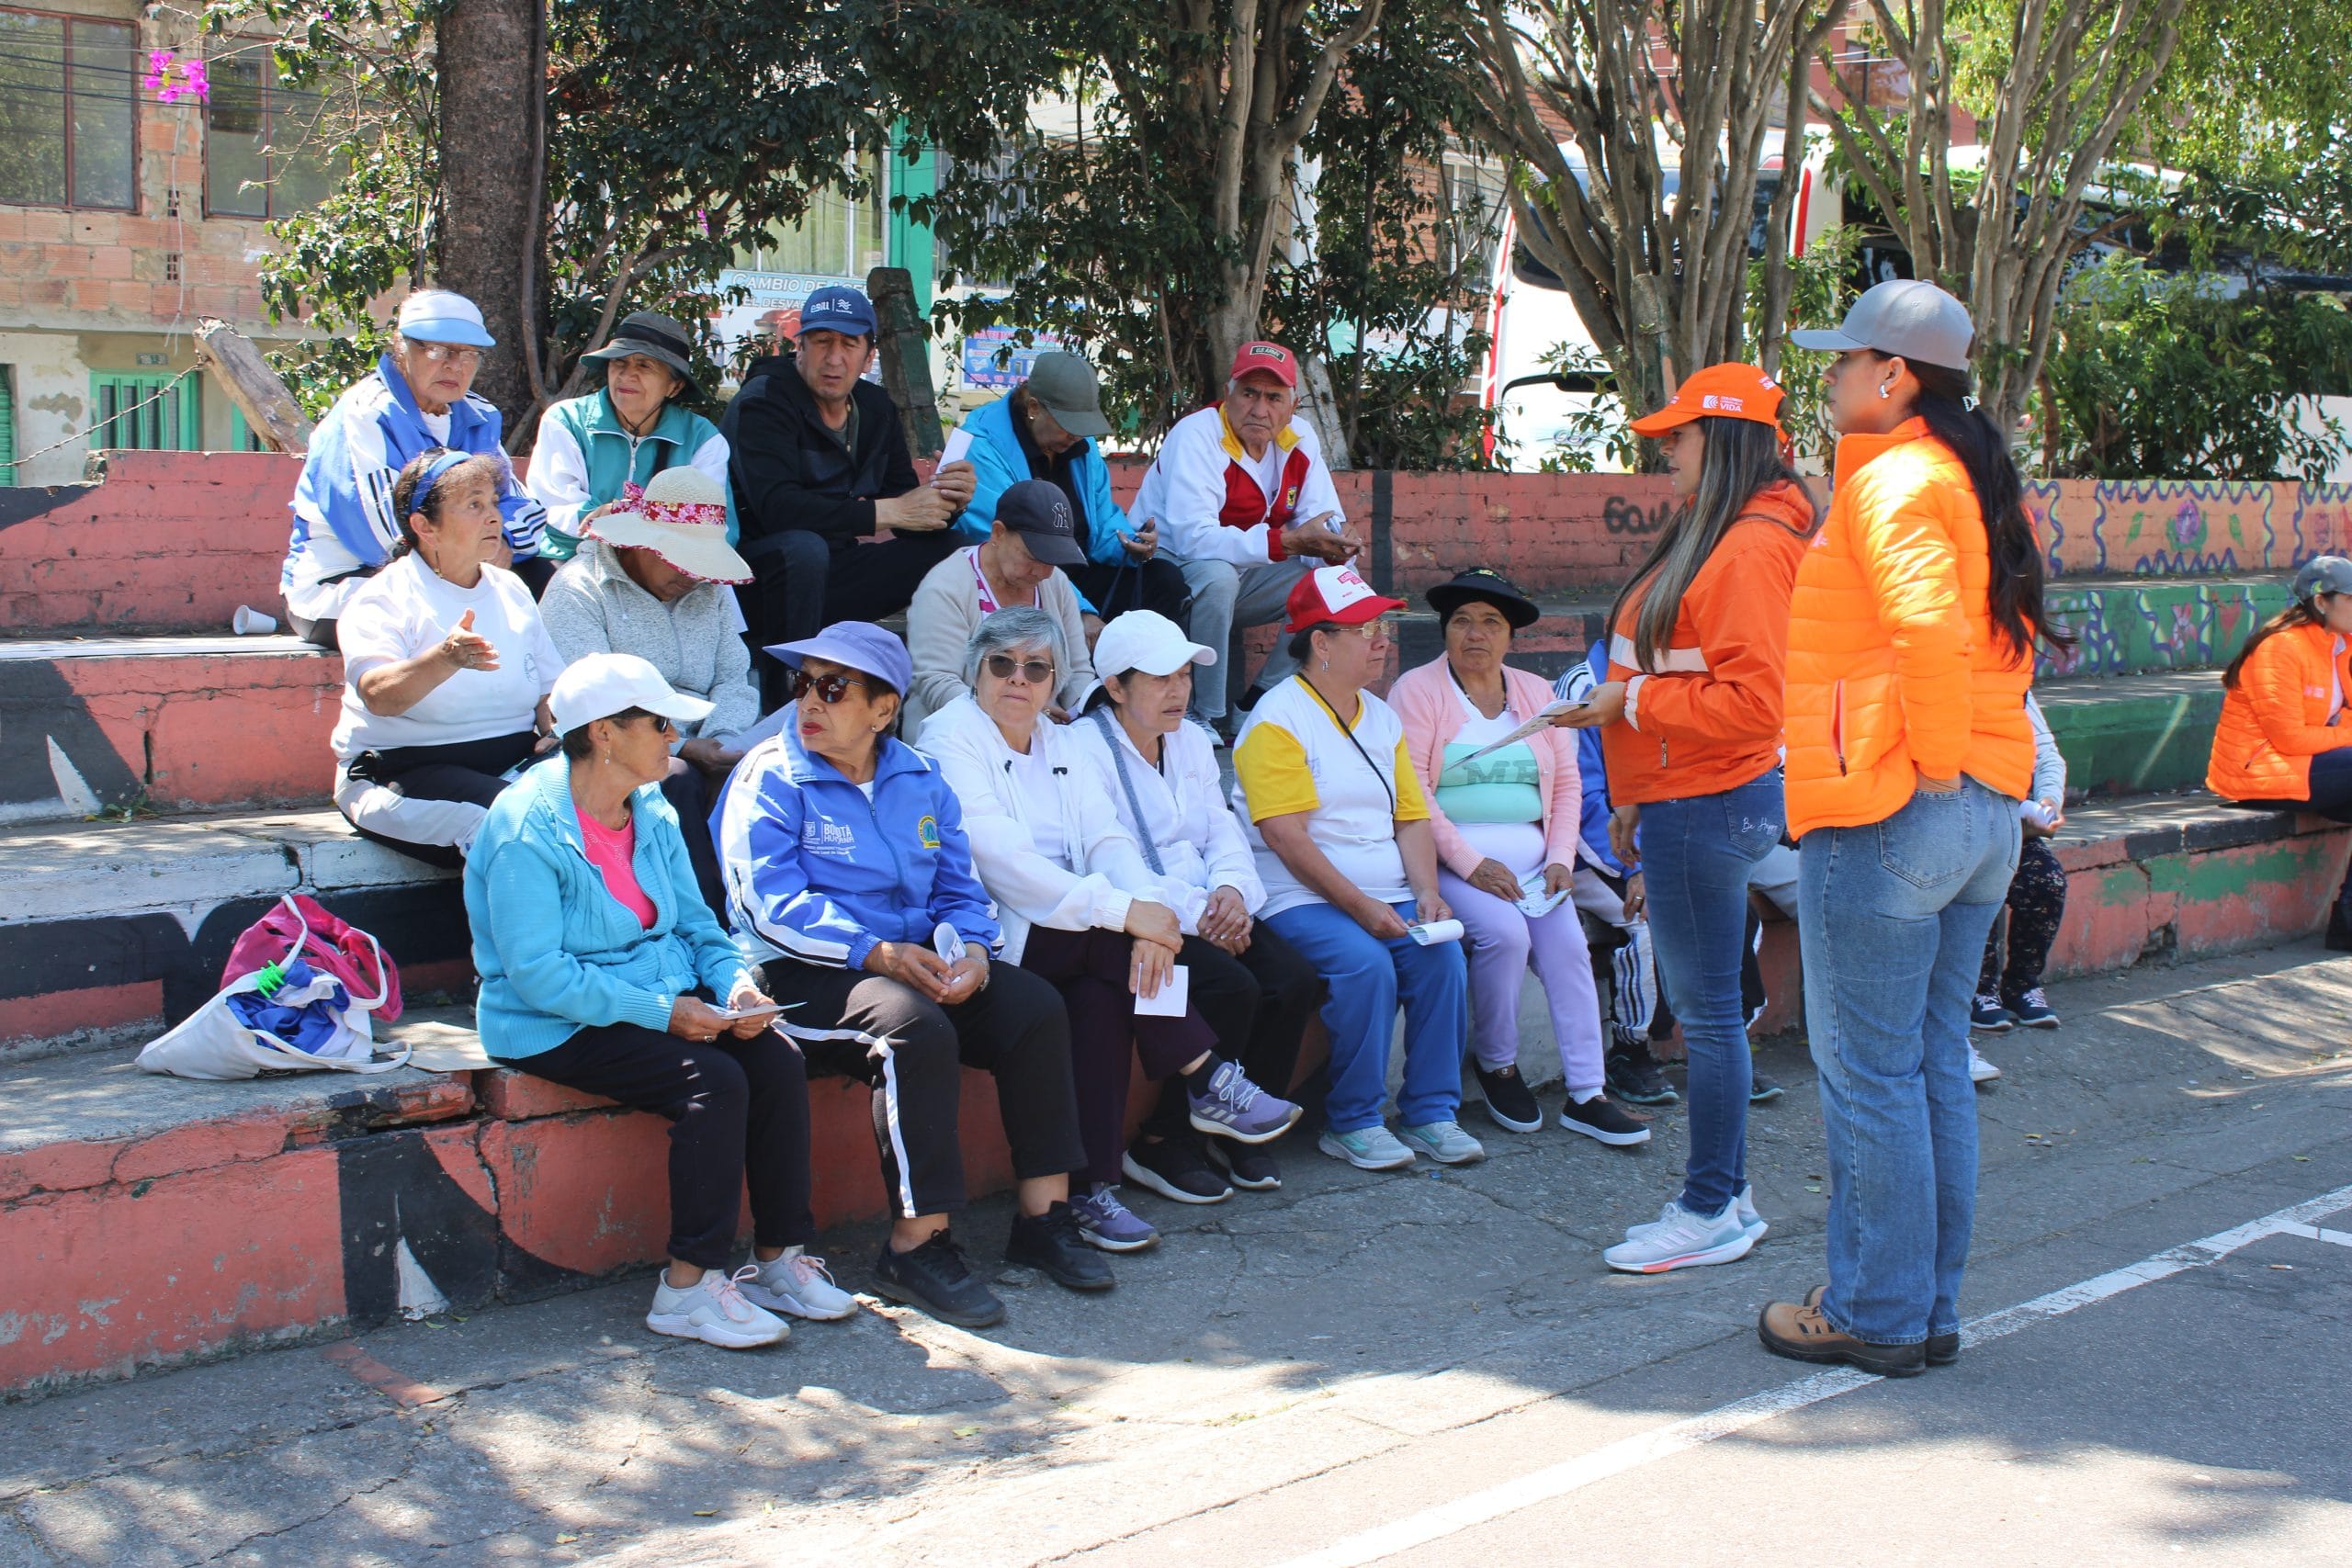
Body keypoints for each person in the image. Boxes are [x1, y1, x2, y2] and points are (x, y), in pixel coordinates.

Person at [1758, 279, 2059, 1378]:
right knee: (1929, 1064)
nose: (1828, 376)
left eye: (1842, 361)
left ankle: (1875, 1311)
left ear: (1893, 376)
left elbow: (1928, 633)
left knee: (1868, 1078)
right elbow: (2006, 646)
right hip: (1980, 812)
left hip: (1898, 809)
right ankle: (1923, 1307)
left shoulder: (1893, 480)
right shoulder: (1971, 480)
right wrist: (1964, 775)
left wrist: (1924, 771)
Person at [715, 621, 1109, 1328]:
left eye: (831, 687)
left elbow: (961, 888)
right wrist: (875, 951)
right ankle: (915, 1244)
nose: (808, 699)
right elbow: (766, 905)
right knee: (911, 1027)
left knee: (1033, 1006)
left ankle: (1043, 1218)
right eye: (801, 682)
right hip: (802, 968)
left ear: (884, 710)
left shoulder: (920, 779)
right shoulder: (769, 773)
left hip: (910, 959)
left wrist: (976, 953)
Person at [467, 653, 854, 1349]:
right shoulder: (525, 825)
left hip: (652, 993)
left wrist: (736, 984)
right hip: (549, 1020)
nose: (673, 737)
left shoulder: (652, 804)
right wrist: (668, 1012)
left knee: (774, 1059)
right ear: (605, 733)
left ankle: (779, 1260)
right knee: (712, 1080)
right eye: (658, 722)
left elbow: (700, 925)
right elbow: (538, 976)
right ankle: (685, 1288)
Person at [924, 608, 1303, 1252]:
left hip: (1076, 926)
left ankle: (1090, 1189)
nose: (1019, 679)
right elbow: (1004, 864)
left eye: (1036, 668)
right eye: (1002, 664)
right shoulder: (949, 737)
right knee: (1119, 946)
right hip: (996, 927)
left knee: (1101, 1003)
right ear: (975, 671)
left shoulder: (1057, 742)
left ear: (1054, 682)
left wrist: (1149, 913)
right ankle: (1207, 1072)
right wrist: (1131, 916)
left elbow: (1105, 839)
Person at [1557, 361, 1817, 1275]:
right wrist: (1629, 788)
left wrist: (1626, 716)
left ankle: (1710, 1204)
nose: (1666, 446)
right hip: (1681, 798)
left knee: (1706, 1023)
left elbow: (1750, 705)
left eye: (1682, 433)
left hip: (1702, 800)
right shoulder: (1729, 536)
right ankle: (1723, 1197)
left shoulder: (1746, 548)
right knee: (1709, 1018)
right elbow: (1672, 676)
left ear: (1729, 442)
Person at [1068, 611, 1324, 1202]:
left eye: (1184, 675)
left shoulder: (1190, 739)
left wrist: (1232, 892)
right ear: (1115, 686)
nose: (1179, 691)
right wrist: (1202, 917)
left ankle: (1240, 1137)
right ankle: (1164, 1142)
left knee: (1293, 979)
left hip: (1211, 904)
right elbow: (1113, 860)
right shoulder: (1083, 749)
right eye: (1161, 679)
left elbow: (1221, 830)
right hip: (1144, 914)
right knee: (1231, 986)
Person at [1232, 565, 1477, 1170]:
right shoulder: (1276, 718)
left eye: (1383, 627)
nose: (1382, 640)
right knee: (1365, 965)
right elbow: (1287, 839)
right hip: (1301, 897)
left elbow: (1411, 818)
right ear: (1321, 643)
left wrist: (1425, 892)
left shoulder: (1381, 715)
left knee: (1441, 956)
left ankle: (1430, 1111)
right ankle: (1353, 1119)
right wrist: (1362, 907)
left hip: (1387, 892)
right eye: (1365, 629)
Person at [1389, 570, 1646, 1147]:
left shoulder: (1537, 693)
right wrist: (1470, 861)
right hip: (1456, 865)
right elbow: (1413, 792)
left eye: (1490, 623)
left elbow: (1565, 790)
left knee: (1570, 948)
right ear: (1444, 631)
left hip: (1537, 871)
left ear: (1510, 638)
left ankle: (1588, 1093)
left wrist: (1560, 859)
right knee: (1505, 936)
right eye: (1461, 620)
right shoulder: (1418, 689)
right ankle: (1498, 1063)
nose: (1474, 634)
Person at [722, 285, 977, 705]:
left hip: (833, 576)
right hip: (758, 580)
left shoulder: (875, 407)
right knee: (803, 549)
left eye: (848, 343)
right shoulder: (762, 402)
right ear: (799, 345)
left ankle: (938, 691)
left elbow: (907, 513)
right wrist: (889, 511)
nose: (834, 358)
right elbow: (778, 509)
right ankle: (784, 704)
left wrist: (945, 500)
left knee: (953, 549)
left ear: (868, 355)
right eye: (822, 341)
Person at [329, 449, 568, 867]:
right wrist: (445, 658)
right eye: (474, 505)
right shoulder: (383, 598)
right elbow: (379, 695)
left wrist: (559, 729)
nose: (495, 517)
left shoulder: (510, 588)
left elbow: (548, 691)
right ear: (425, 526)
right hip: (404, 769)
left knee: (640, 788)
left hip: (513, 761)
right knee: (517, 818)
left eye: (494, 503)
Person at [539, 468, 758, 918]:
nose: (694, 575)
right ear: (642, 543)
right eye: (682, 560)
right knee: (675, 776)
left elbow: (734, 676)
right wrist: (680, 743)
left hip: (705, 741)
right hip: (609, 743)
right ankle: (708, 927)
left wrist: (724, 737)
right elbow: (592, 703)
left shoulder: (709, 591)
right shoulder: (578, 590)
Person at [284, 289, 549, 647]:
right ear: (401, 346)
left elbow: (524, 510)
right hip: (349, 581)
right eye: (438, 350)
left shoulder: (478, 415)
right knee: (444, 615)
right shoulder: (367, 414)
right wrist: (479, 550)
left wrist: (502, 539)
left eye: (470, 354)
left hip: (461, 569)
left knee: (551, 585)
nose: (455, 366)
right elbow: (383, 536)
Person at [1134, 341, 1363, 734]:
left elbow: (1323, 519)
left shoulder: (1300, 439)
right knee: (1219, 577)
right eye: (1249, 393)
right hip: (1169, 574)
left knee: (1336, 584)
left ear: (1292, 406)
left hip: (1244, 579)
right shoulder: (1196, 435)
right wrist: (1287, 543)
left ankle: (1260, 701)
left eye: (1273, 397)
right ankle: (1201, 715)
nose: (1260, 409)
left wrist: (1336, 548)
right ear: (1228, 395)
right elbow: (1194, 540)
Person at [948, 352, 1191, 629]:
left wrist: (1130, 545)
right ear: (1034, 408)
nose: (1076, 435)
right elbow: (1011, 549)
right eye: (1068, 424)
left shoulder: (1081, 447)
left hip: (1078, 575)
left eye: (1082, 425)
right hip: (1019, 578)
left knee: (1165, 580)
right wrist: (1078, 610)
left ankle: (1140, 672)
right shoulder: (982, 448)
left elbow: (1102, 524)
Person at [2206, 554, 2352, 953]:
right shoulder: (2280, 649)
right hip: (2259, 769)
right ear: (2321, 602)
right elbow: (2290, 739)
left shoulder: (2343, 645)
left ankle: (2347, 924)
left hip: (2313, 764)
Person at [1556, 644, 1671, 1106]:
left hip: (1650, 847)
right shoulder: (1585, 684)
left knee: (1732, 912)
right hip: (1589, 855)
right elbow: (1583, 800)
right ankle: (1630, 1051)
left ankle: (1726, 1049)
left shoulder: (1671, 680)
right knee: (1642, 923)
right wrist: (1637, 869)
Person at [526, 310, 736, 560]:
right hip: (575, 558)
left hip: (667, 567)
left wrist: (626, 516)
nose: (626, 375)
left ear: (674, 386)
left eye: (644, 365)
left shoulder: (702, 439)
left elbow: (714, 525)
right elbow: (557, 510)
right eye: (619, 362)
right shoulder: (566, 420)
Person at [903, 480, 1099, 739]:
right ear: (998, 533)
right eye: (1032, 556)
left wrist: (1082, 716)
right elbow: (936, 681)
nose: (1043, 572)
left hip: (1041, 738)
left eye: (1053, 559)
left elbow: (1078, 670)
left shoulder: (1056, 582)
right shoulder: (945, 587)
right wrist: (1022, 717)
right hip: (957, 739)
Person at [1970, 691, 2070, 1076]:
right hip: (1961, 825)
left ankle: (2022, 984)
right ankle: (1980, 991)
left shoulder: (2017, 688)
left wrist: (2047, 801)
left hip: (2015, 824)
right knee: (1979, 887)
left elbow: (2046, 753)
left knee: (2045, 882)